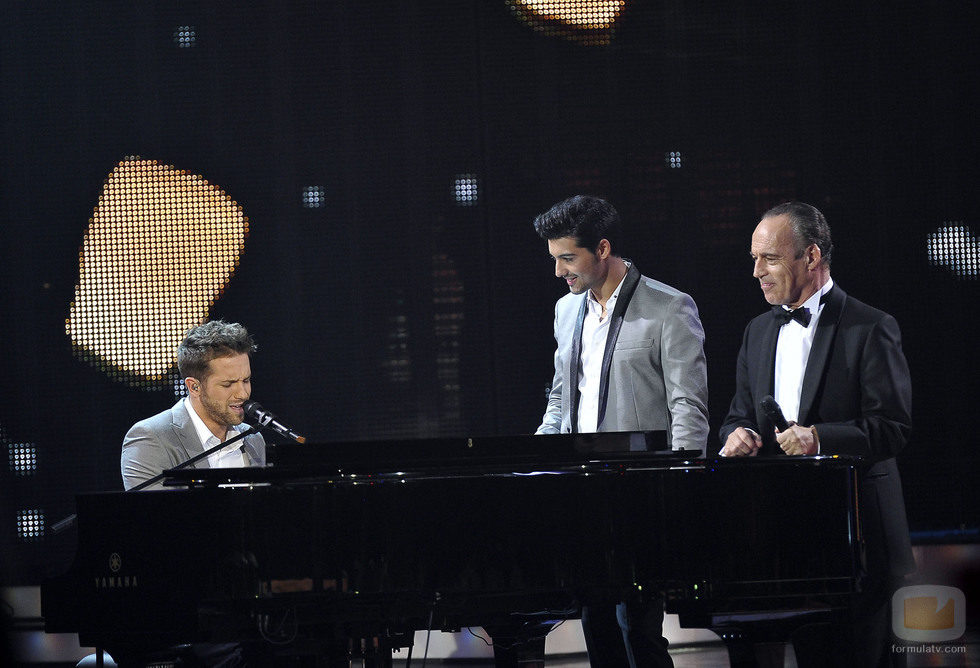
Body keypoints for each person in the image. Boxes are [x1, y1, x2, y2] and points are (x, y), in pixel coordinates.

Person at [719, 202, 915, 666]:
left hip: (860, 542)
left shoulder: (871, 326)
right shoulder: (757, 332)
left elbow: (892, 429)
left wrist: (819, 439)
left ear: (810, 256)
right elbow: (736, 416)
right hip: (790, 545)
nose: (756, 272)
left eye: (769, 258)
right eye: (754, 258)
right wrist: (737, 435)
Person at [534, 195, 709, 667]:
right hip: (582, 495)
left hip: (642, 497)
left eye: (568, 259)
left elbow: (688, 408)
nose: (559, 271)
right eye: (554, 259)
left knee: (639, 632)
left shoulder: (669, 307)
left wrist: (682, 490)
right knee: (597, 628)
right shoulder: (566, 310)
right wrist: (539, 460)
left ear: (603, 248)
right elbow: (560, 398)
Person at [121, 320, 266, 491]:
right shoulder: (150, 439)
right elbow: (152, 508)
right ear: (194, 387)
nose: (242, 393)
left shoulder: (253, 439)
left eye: (246, 380)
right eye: (228, 384)